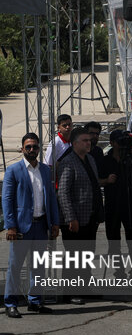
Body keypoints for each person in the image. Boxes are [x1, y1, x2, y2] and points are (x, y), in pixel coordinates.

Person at [3, 133, 60, 318]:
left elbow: (51, 197)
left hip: (41, 224)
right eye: (28, 147)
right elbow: (7, 200)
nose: (31, 150)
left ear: (39, 149)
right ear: (22, 149)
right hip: (21, 228)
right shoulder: (14, 170)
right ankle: (11, 302)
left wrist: (55, 222)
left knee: (38, 266)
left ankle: (35, 301)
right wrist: (10, 226)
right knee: (15, 267)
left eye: (35, 147)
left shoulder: (44, 170)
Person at [57, 126, 104, 304]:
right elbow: (63, 192)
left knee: (87, 254)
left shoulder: (90, 159)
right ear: (75, 143)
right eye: (85, 140)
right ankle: (70, 292)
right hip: (75, 219)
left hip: (90, 216)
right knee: (74, 256)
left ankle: (85, 287)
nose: (89, 142)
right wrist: (70, 217)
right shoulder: (68, 162)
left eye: (89, 140)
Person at [99, 130, 132, 279]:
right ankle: (118, 272)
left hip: (130, 203)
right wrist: (107, 181)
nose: (122, 145)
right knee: (114, 242)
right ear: (112, 143)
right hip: (113, 205)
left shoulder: (131, 159)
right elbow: (96, 181)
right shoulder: (105, 160)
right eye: (119, 141)